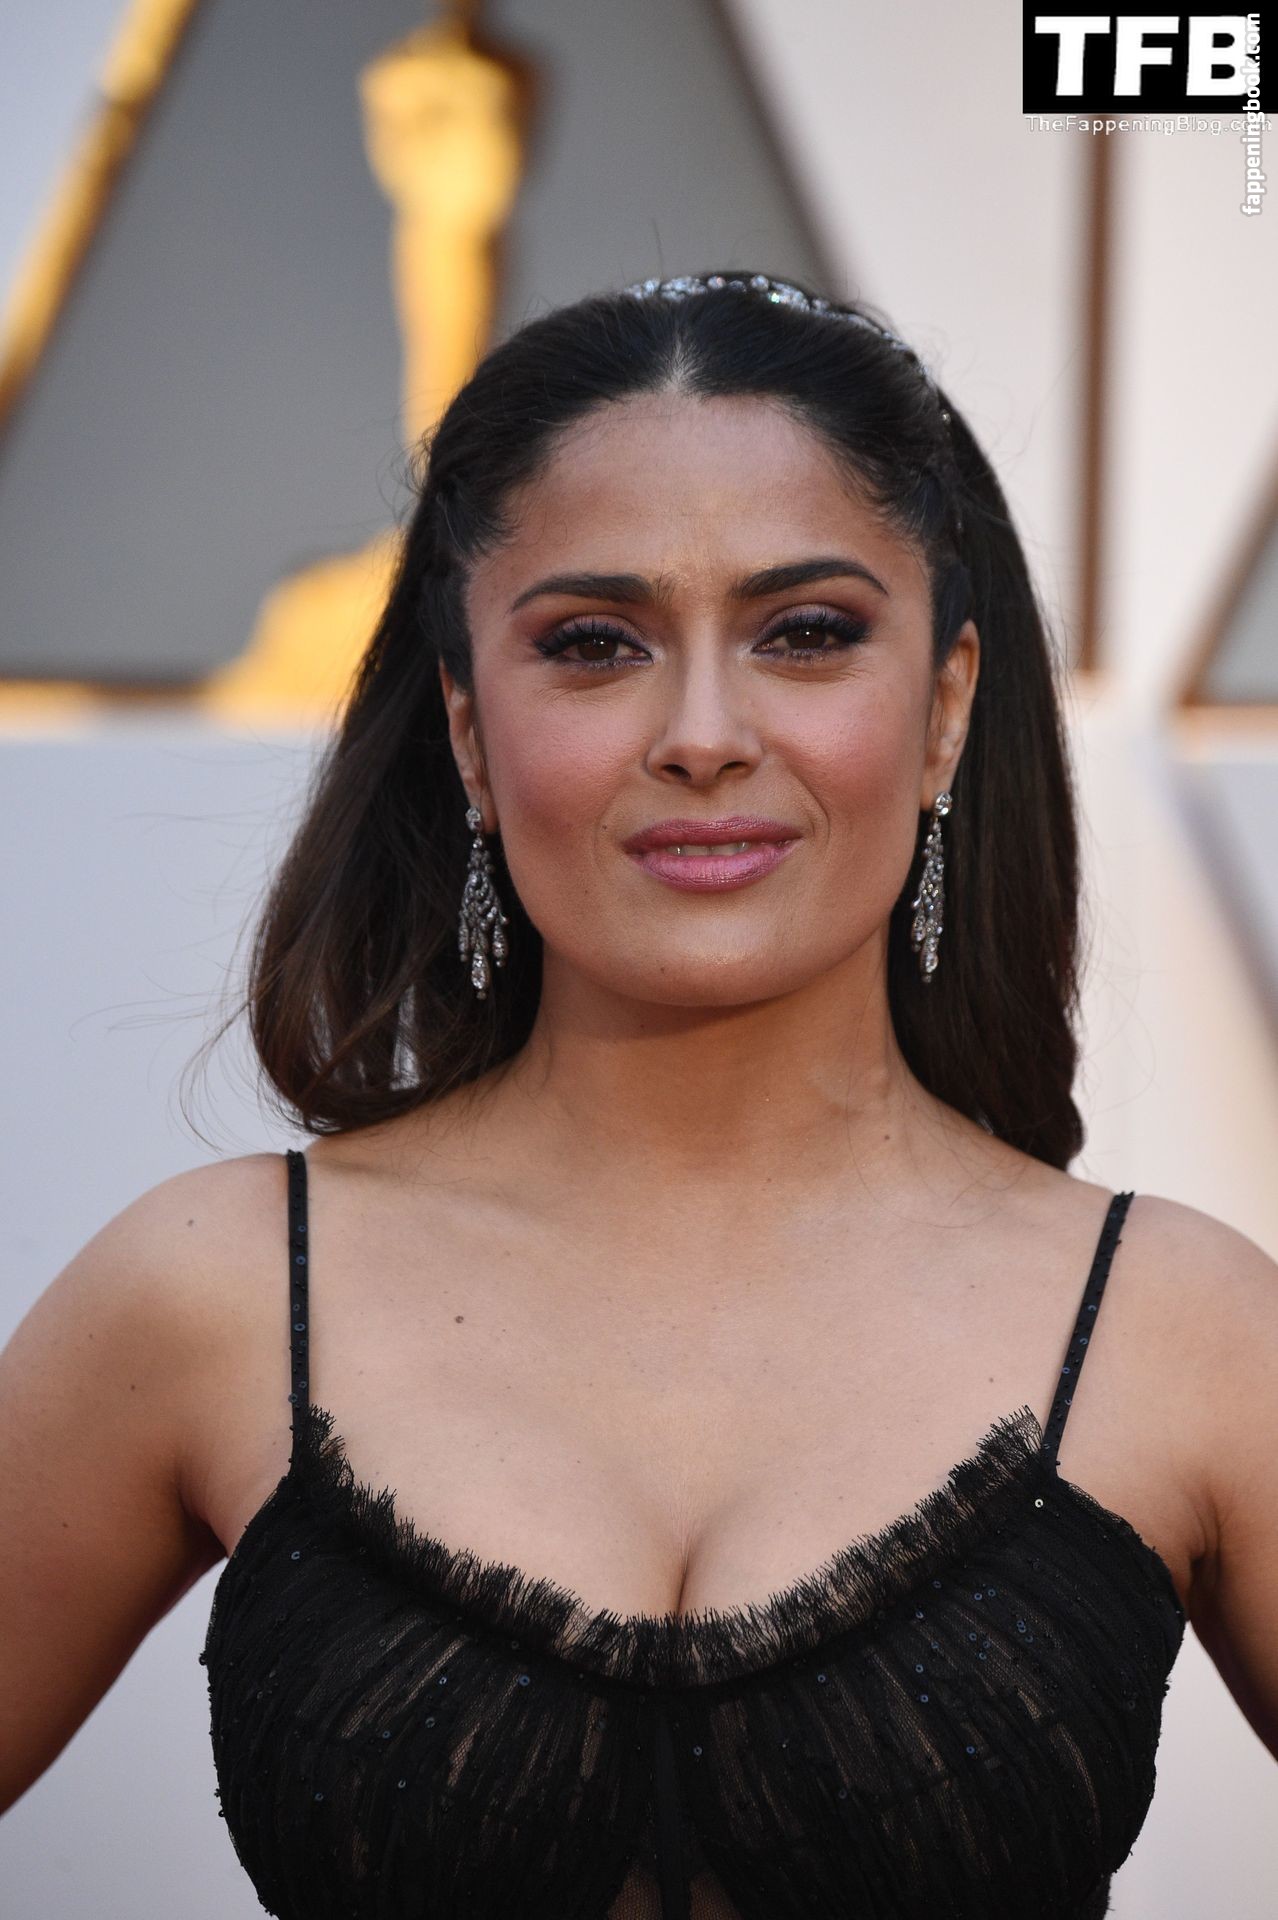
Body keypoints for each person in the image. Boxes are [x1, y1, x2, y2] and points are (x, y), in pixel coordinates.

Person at [2, 271, 1275, 1915]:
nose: (701, 735)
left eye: (804, 634)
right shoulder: (214, 1291)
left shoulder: (1185, 1333)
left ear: (946, 705)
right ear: (469, 729)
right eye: (593, 646)